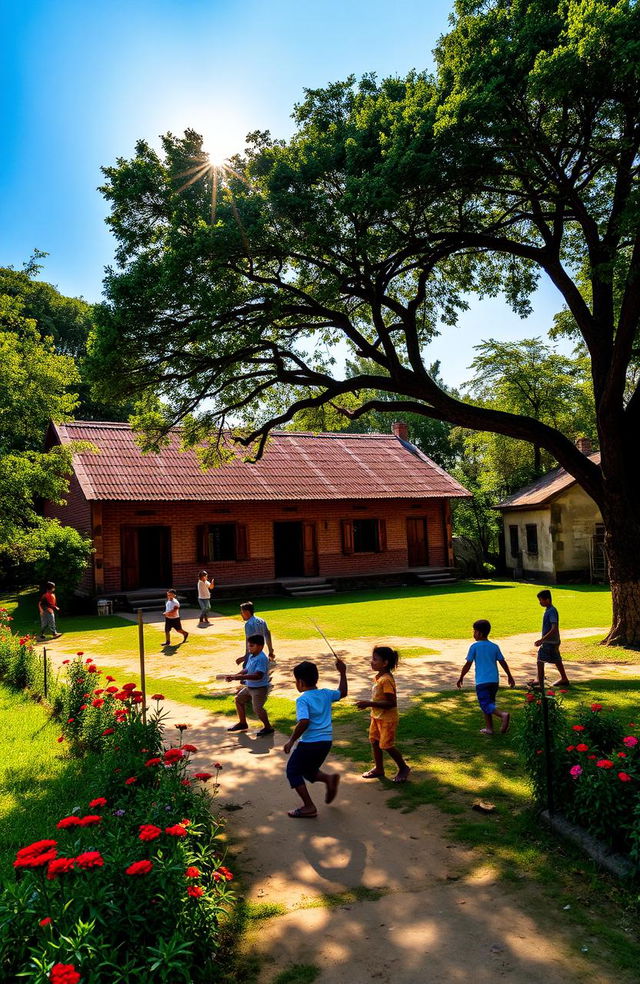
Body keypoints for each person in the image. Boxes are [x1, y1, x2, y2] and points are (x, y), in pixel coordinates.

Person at [283, 655, 347, 818]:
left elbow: (304, 721)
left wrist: (291, 740)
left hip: (310, 743)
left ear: (301, 683)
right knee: (308, 770)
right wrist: (342, 673)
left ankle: (309, 806)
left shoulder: (302, 699)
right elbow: (342, 693)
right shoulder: (325, 693)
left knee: (293, 771)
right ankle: (329, 779)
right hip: (325, 742)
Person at [356, 645, 411, 782]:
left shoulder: (386, 680)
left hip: (387, 719)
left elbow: (392, 703)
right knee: (374, 741)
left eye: (375, 659)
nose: (371, 662)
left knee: (386, 745)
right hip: (377, 716)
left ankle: (403, 767)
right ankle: (379, 768)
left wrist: (369, 703)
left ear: (385, 663)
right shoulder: (379, 677)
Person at [457, 619, 515, 735]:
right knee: (489, 703)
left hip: (482, 682)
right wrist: (509, 676)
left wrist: (461, 677)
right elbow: (502, 662)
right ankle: (489, 728)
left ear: (479, 633)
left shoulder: (474, 647)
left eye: (474, 631)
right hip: (494, 681)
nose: (473, 634)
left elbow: (468, 664)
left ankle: (503, 715)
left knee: (485, 704)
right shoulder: (494, 646)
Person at [225, 633, 274, 736]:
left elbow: (258, 675)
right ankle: (243, 723)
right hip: (250, 687)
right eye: (248, 645)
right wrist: (235, 675)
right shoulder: (252, 656)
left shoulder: (261, 658)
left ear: (260, 646)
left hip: (259, 689)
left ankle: (268, 727)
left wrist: (238, 677)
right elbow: (247, 669)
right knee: (238, 699)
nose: (249, 648)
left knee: (257, 709)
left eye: (252, 645)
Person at [535, 589, 570, 688]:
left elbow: (554, 628)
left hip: (549, 642)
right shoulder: (550, 610)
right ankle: (564, 678)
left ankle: (541, 686)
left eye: (541, 600)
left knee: (540, 661)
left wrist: (542, 640)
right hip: (554, 641)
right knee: (557, 660)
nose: (540, 602)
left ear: (548, 599)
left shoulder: (551, 611)